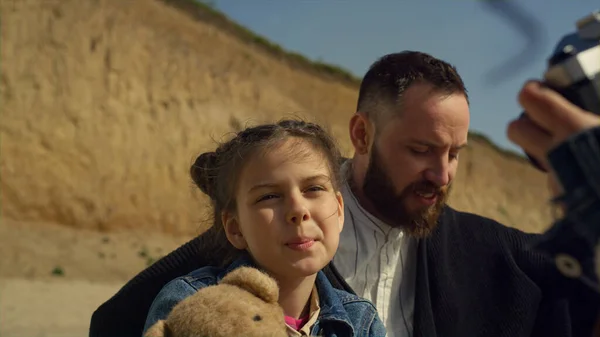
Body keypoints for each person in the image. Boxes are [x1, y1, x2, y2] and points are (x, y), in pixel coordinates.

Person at [89, 51, 600, 337]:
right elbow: (115, 323)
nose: (442, 174)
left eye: (456, 153)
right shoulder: (269, 230)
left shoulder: (486, 250)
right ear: (361, 135)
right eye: (422, 149)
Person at [142, 120, 387, 337]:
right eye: (269, 196)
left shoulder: (361, 322)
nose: (297, 210)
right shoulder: (193, 304)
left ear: (339, 210)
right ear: (236, 229)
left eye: (313, 189)